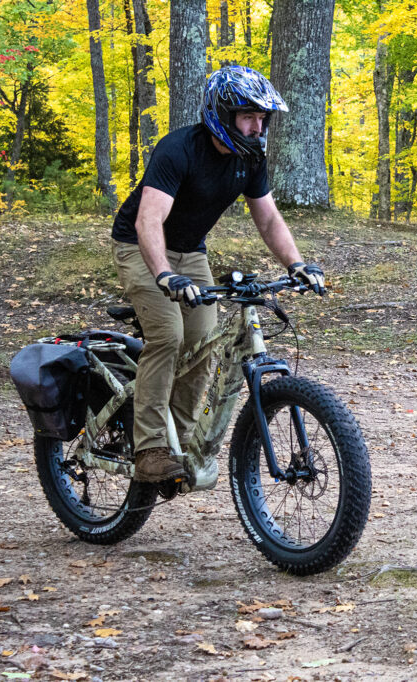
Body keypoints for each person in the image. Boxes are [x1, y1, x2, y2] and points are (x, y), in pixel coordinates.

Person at [110, 65, 325, 483]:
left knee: (204, 343)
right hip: (140, 246)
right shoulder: (179, 150)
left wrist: (296, 263)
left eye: (263, 119)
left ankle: (182, 441)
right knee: (169, 336)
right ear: (222, 115)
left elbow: (268, 219)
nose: (257, 127)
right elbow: (148, 221)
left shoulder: (251, 158)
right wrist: (165, 275)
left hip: (190, 251)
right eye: (248, 117)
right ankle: (151, 448)